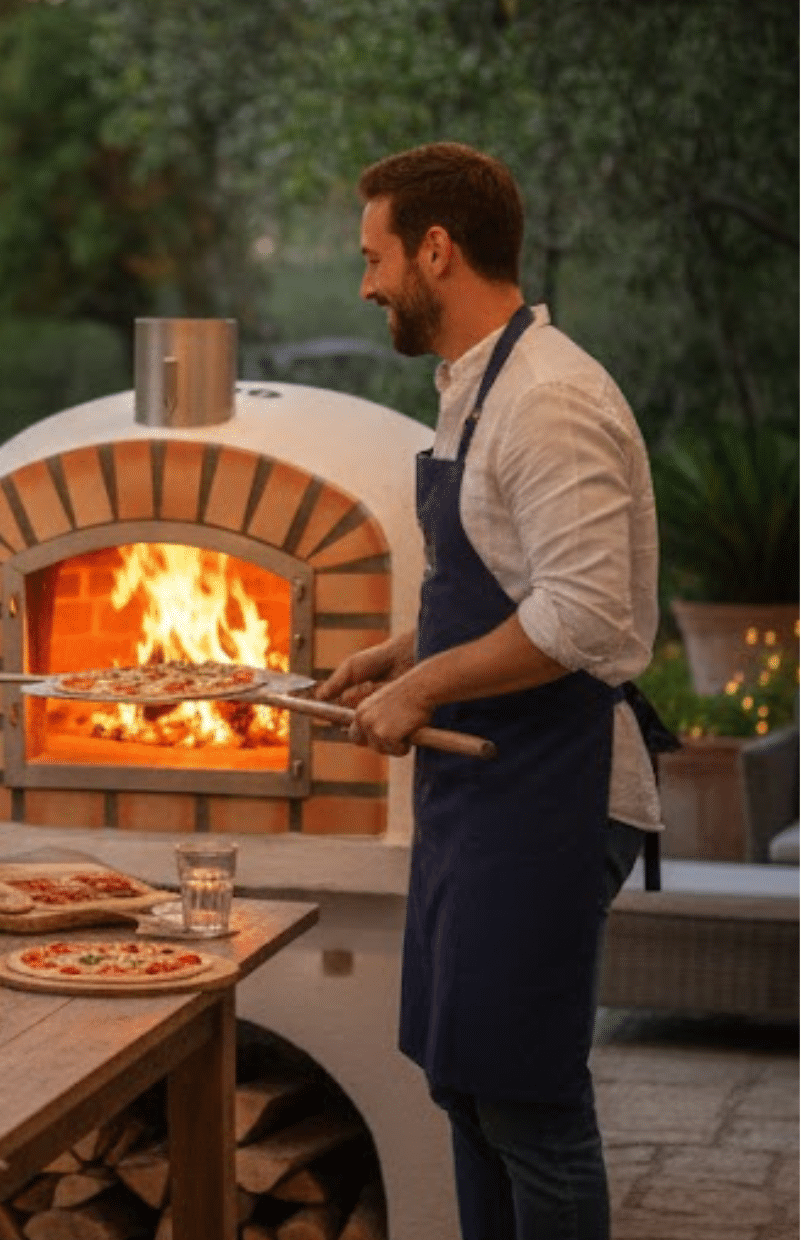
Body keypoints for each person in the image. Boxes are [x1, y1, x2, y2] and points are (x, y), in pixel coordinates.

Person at [318, 142, 661, 1239]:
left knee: (527, 1100)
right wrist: (399, 650)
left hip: (554, 789)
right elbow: (511, 579)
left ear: (435, 248)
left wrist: (423, 682)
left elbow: (583, 616)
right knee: (464, 1086)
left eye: (373, 257)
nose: (364, 283)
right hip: (484, 788)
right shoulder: (477, 388)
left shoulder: (549, 400)